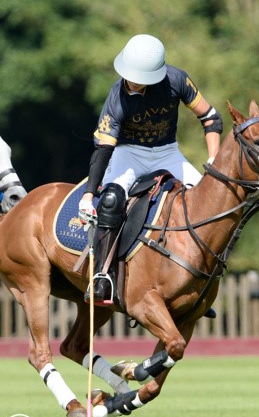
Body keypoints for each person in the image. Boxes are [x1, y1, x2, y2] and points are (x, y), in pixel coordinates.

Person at [78, 34, 222, 305]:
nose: (130, 81)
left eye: (137, 77)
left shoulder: (177, 81)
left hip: (168, 153)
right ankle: (102, 278)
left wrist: (213, 158)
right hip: (128, 153)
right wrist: (88, 195)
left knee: (209, 201)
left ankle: (201, 282)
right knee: (110, 201)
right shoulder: (117, 97)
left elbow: (211, 117)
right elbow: (104, 148)